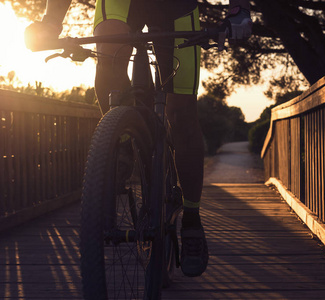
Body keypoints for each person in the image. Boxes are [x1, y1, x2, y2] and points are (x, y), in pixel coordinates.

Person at [25, 0, 252, 277]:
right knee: (109, 61)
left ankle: (192, 219)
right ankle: (120, 142)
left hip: (177, 6)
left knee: (181, 115)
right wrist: (51, 21)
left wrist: (239, 11)